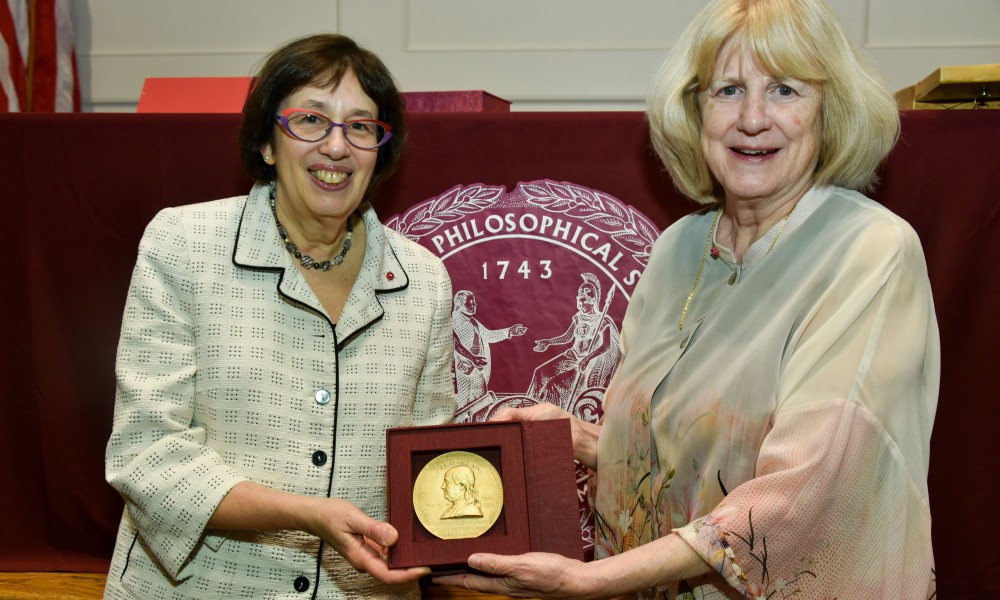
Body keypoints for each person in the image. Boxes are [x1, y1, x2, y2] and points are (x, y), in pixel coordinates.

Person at [436, 0, 939, 597]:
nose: (752, 118)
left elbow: (810, 486)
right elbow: (696, 456)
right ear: (694, 111)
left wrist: (591, 580)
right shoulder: (679, 248)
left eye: (784, 90)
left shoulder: (870, 250)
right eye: (728, 90)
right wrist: (584, 440)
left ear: (830, 112)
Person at [103, 34, 456, 599]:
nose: (337, 147)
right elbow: (147, 456)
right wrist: (308, 513)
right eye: (311, 120)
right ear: (267, 142)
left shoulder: (424, 281)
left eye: (361, 126)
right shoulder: (183, 244)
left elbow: (428, 465)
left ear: (379, 151)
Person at [526, 273, 620, 411]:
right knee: (540, 372)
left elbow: (606, 346)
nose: (580, 303)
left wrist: (587, 359)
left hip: (588, 362)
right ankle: (530, 406)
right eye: (579, 299)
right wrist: (548, 342)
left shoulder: (603, 320)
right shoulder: (578, 317)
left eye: (583, 299)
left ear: (593, 299)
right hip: (572, 355)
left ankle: (553, 414)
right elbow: (567, 338)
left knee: (556, 384)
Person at [452, 289, 527, 407]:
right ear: (459, 304)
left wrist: (510, 331)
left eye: (474, 302)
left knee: (475, 402)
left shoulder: (472, 321)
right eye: (469, 303)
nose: (474, 305)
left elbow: (488, 335)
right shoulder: (454, 322)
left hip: (475, 368)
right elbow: (450, 344)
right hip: (462, 370)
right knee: (465, 404)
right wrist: (458, 361)